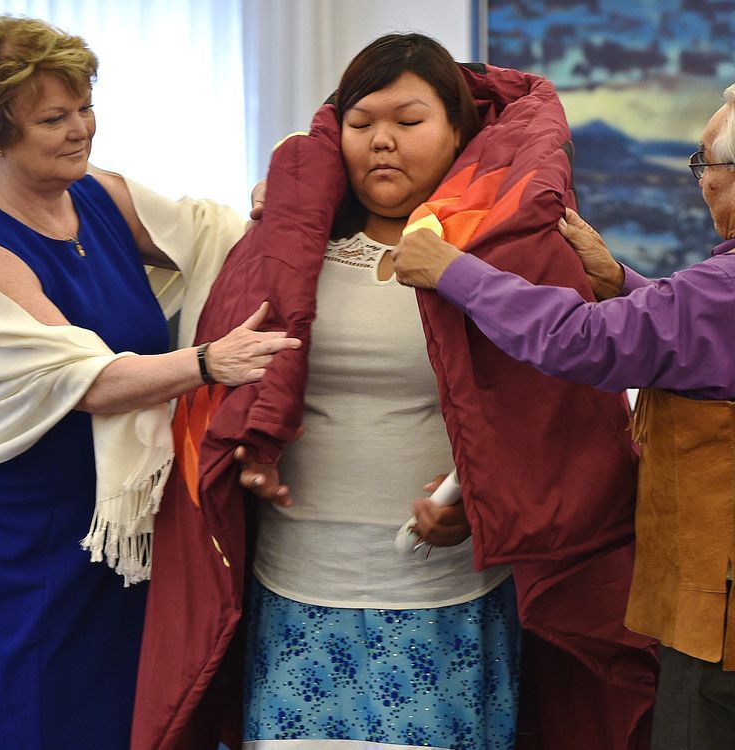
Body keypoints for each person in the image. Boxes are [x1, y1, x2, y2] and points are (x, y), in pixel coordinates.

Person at [132, 33, 656, 750]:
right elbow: (232, 384)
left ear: (457, 132)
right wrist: (248, 445)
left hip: (446, 598)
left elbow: (558, 424)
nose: (383, 142)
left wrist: (482, 497)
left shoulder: (506, 257)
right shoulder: (283, 248)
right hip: (296, 587)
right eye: (362, 123)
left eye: (409, 123)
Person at [392, 73, 735, 749]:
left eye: (704, 164)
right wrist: (622, 282)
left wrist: (450, 268)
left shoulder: (733, 284)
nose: (700, 181)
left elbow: (576, 342)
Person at [0, 15, 300, 750]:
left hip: (121, 521)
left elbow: (207, 235)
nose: (80, 130)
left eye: (84, 108)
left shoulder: (98, 195)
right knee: (36, 716)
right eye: (53, 119)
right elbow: (89, 379)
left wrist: (277, 203)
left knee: (125, 717)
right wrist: (206, 363)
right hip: (28, 526)